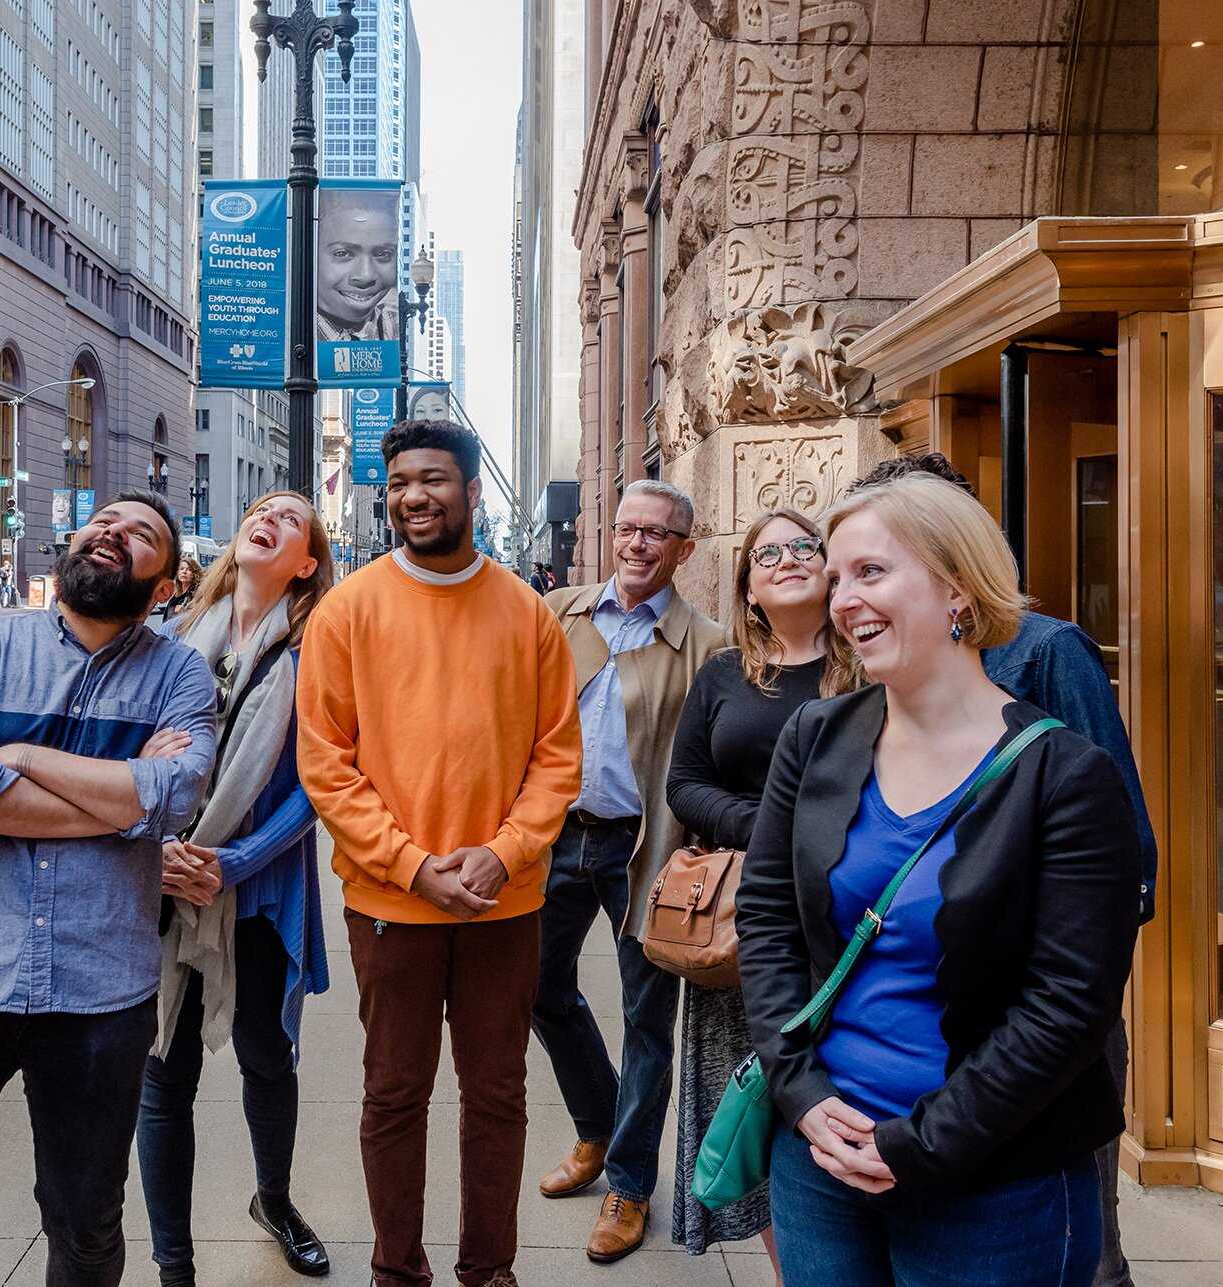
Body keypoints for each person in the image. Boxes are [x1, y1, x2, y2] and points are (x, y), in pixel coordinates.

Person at [735, 473, 1142, 1287]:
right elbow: (769, 921)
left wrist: (918, 1143)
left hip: (996, 1187)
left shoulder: (1064, 774)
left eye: (871, 572)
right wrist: (802, 1093)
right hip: (818, 1163)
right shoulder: (816, 737)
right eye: (837, 574)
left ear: (956, 585)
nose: (842, 598)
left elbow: (1067, 1005)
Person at [0, 490, 219, 1287]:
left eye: (141, 535)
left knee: (86, 1230)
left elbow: (173, 799)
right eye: (105, 522)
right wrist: (122, 798)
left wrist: (19, 754)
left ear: (165, 585)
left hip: (100, 993)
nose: (112, 534)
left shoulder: (181, 674)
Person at [847, 451, 1157, 1287]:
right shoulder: (870, 677)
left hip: (1038, 1023)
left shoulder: (1049, 653)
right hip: (904, 1055)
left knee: (1088, 1257)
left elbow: (1126, 843)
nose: (853, 593)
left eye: (885, 557)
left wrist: (1070, 984)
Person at [297, 420, 582, 1287]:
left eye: (433, 479)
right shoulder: (347, 610)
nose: (414, 496)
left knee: (497, 1095)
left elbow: (558, 756)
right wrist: (415, 865)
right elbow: (327, 766)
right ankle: (398, 1271)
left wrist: (502, 853)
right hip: (390, 906)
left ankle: (489, 1267)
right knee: (393, 1097)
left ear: (470, 490)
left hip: (508, 903)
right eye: (399, 485)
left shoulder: (528, 612)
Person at [138, 490, 336, 1287]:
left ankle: (275, 1200)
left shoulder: (316, 651)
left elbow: (320, 784)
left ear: (307, 564)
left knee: (265, 1056)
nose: (272, 519)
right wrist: (158, 846)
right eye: (263, 509)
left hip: (256, 888)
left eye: (292, 519)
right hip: (163, 883)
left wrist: (235, 858)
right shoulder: (173, 638)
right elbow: (132, 755)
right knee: (163, 1069)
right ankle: (174, 1264)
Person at [531, 481, 725, 1263]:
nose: (638, 544)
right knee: (537, 988)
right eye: (628, 529)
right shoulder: (559, 612)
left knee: (648, 1018)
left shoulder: (706, 642)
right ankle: (598, 1127)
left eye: (657, 533)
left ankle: (630, 1181)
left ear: (684, 546)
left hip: (648, 850)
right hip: (554, 839)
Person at [665, 507, 858, 1275]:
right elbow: (684, 783)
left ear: (830, 565)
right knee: (746, 1109)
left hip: (846, 923)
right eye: (766, 552)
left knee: (831, 1099)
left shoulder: (868, 667)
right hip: (737, 930)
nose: (786, 559)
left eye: (803, 546)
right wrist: (770, 827)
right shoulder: (723, 674)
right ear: (746, 586)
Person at [313, 186, 399, 344]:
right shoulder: (278, 332)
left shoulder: (395, 325)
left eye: (383, 254)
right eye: (342, 253)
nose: (366, 276)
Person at [159, 557, 202, 622]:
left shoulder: (197, 593)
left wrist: (184, 613)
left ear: (194, 574)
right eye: (181, 569)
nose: (184, 572)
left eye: (189, 569)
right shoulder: (175, 594)